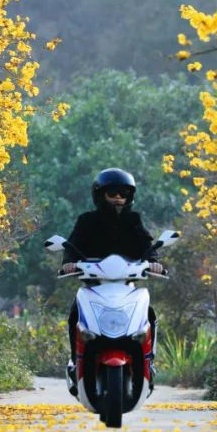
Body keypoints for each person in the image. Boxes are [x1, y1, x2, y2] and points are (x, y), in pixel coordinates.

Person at [60, 168, 164, 395]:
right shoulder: (87, 220)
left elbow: (147, 246)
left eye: (124, 193)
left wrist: (154, 261)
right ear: (100, 195)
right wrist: (69, 262)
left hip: (127, 285)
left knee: (149, 313)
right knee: (75, 314)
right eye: (112, 192)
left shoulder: (133, 220)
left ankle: (149, 362)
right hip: (94, 286)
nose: (118, 197)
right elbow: (72, 246)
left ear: (130, 197)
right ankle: (75, 361)